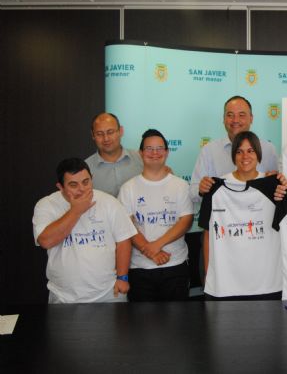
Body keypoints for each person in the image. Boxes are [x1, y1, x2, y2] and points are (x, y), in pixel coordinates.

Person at [32, 158, 136, 303]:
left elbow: (123, 240)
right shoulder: (46, 205)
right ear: (60, 187)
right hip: (64, 297)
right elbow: (45, 241)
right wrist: (75, 211)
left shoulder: (109, 202)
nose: (82, 189)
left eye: (86, 182)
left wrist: (122, 277)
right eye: (73, 185)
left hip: (109, 293)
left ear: (92, 179)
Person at [199, 131, 286, 300]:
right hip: (226, 285)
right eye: (239, 151)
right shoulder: (214, 187)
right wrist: (210, 277)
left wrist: (284, 188)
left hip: (267, 283)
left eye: (250, 151)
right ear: (233, 156)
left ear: (258, 154)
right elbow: (208, 235)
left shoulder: (274, 186)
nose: (245, 156)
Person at [118, 129, 194, 302]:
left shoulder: (180, 185)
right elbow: (127, 226)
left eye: (159, 148)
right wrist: (151, 252)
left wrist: (156, 245)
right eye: (149, 149)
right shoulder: (128, 188)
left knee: (178, 318)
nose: (154, 153)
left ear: (167, 152)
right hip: (140, 268)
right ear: (141, 153)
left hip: (175, 265)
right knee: (143, 319)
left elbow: (186, 221)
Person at [190, 96, 279, 202]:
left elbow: (279, 190)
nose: (235, 120)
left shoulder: (268, 149)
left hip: (259, 211)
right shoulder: (208, 151)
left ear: (251, 118)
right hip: (221, 211)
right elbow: (193, 193)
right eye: (230, 115)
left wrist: (276, 182)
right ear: (223, 119)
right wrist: (201, 189)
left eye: (241, 115)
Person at [85, 112, 143, 197]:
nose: (106, 138)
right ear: (93, 135)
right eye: (99, 134)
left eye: (110, 132)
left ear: (121, 131)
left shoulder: (141, 159)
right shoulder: (85, 169)